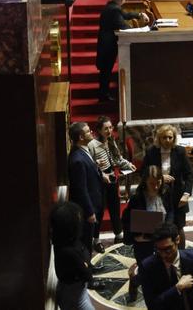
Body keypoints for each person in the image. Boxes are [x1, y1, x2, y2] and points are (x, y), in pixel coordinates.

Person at [122, 166, 172, 302]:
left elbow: (171, 211)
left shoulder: (166, 191)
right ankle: (135, 281)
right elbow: (126, 219)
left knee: (164, 267)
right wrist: (135, 236)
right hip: (144, 242)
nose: (155, 187)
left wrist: (168, 227)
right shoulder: (137, 198)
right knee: (146, 270)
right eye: (152, 183)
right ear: (145, 182)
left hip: (162, 239)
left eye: (158, 182)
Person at [90, 116, 135, 246]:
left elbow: (117, 159)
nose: (109, 130)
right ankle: (96, 239)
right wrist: (98, 167)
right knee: (99, 210)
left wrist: (128, 164)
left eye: (110, 127)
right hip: (100, 181)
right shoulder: (92, 144)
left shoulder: (111, 140)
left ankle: (118, 234)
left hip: (112, 178)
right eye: (106, 128)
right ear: (99, 130)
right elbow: (89, 164)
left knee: (115, 207)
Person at [96, 0, 148, 101]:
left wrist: (139, 14)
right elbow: (122, 25)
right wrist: (137, 30)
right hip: (108, 44)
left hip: (104, 42)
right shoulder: (114, 9)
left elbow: (125, 15)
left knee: (105, 70)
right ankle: (103, 95)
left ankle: (103, 94)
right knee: (106, 70)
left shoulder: (111, 6)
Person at [142, 125, 193, 237]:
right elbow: (144, 173)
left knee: (179, 228)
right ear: (159, 138)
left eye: (170, 137)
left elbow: (188, 175)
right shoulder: (151, 152)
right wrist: (160, 178)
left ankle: (180, 253)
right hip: (157, 194)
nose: (167, 140)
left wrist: (186, 194)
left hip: (177, 195)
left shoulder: (180, 151)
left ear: (174, 138)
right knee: (156, 228)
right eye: (164, 137)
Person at [139, 223, 193, 310]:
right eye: (159, 250)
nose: (163, 255)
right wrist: (177, 288)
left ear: (177, 240)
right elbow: (152, 305)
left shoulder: (192, 257)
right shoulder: (147, 267)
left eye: (167, 249)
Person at [50, 201, 96, 310]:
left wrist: (85, 264)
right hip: (74, 294)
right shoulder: (69, 251)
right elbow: (87, 274)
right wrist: (86, 265)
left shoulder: (63, 241)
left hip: (75, 290)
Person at [68, 122, 106, 253]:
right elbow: (81, 189)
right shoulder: (77, 159)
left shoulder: (83, 151)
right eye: (88, 131)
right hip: (87, 209)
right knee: (86, 243)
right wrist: (89, 212)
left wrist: (95, 166)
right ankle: (87, 268)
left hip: (94, 202)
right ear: (81, 137)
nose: (92, 132)